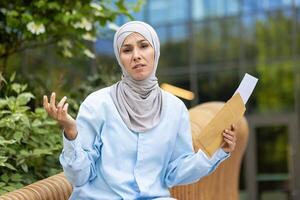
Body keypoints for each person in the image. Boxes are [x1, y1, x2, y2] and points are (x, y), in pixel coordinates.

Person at [43, 21, 237, 200]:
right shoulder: (98, 104)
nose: (136, 55)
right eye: (127, 50)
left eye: (144, 46)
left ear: (155, 51)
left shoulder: (175, 108)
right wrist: (71, 133)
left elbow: (175, 172)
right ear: (120, 59)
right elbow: (80, 176)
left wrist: (218, 151)